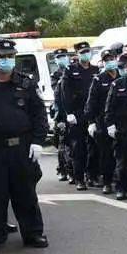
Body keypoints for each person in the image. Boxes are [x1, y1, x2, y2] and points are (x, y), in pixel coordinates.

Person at [0, 38, 49, 254]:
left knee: (25, 193)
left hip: (21, 148)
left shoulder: (26, 83)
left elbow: (39, 115)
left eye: (10, 56)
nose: (6, 60)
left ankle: (33, 233)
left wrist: (38, 142)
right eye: (1, 57)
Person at [85, 43, 123, 195]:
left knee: (122, 154)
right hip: (103, 121)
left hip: (121, 120)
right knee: (106, 154)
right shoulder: (99, 79)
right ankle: (107, 181)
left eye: (112, 58)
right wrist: (91, 122)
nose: (110, 62)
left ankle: (121, 181)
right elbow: (91, 102)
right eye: (107, 60)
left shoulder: (122, 76)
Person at [61, 41, 98, 190]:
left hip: (92, 113)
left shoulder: (95, 70)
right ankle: (79, 178)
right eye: (82, 52)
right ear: (77, 54)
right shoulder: (70, 70)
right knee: (78, 148)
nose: (85, 54)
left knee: (94, 147)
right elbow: (65, 93)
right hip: (77, 113)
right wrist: (68, 113)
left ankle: (92, 175)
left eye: (87, 51)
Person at [104, 52, 127, 201]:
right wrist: (110, 125)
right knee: (122, 161)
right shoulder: (117, 84)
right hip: (122, 127)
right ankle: (121, 188)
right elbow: (109, 107)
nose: (125, 70)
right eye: (122, 67)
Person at [50, 48, 71, 182]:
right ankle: (62, 169)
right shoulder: (56, 75)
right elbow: (57, 93)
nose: (62, 59)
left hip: (73, 111)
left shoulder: (73, 70)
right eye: (59, 57)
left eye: (64, 56)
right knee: (63, 143)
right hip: (61, 112)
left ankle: (73, 170)